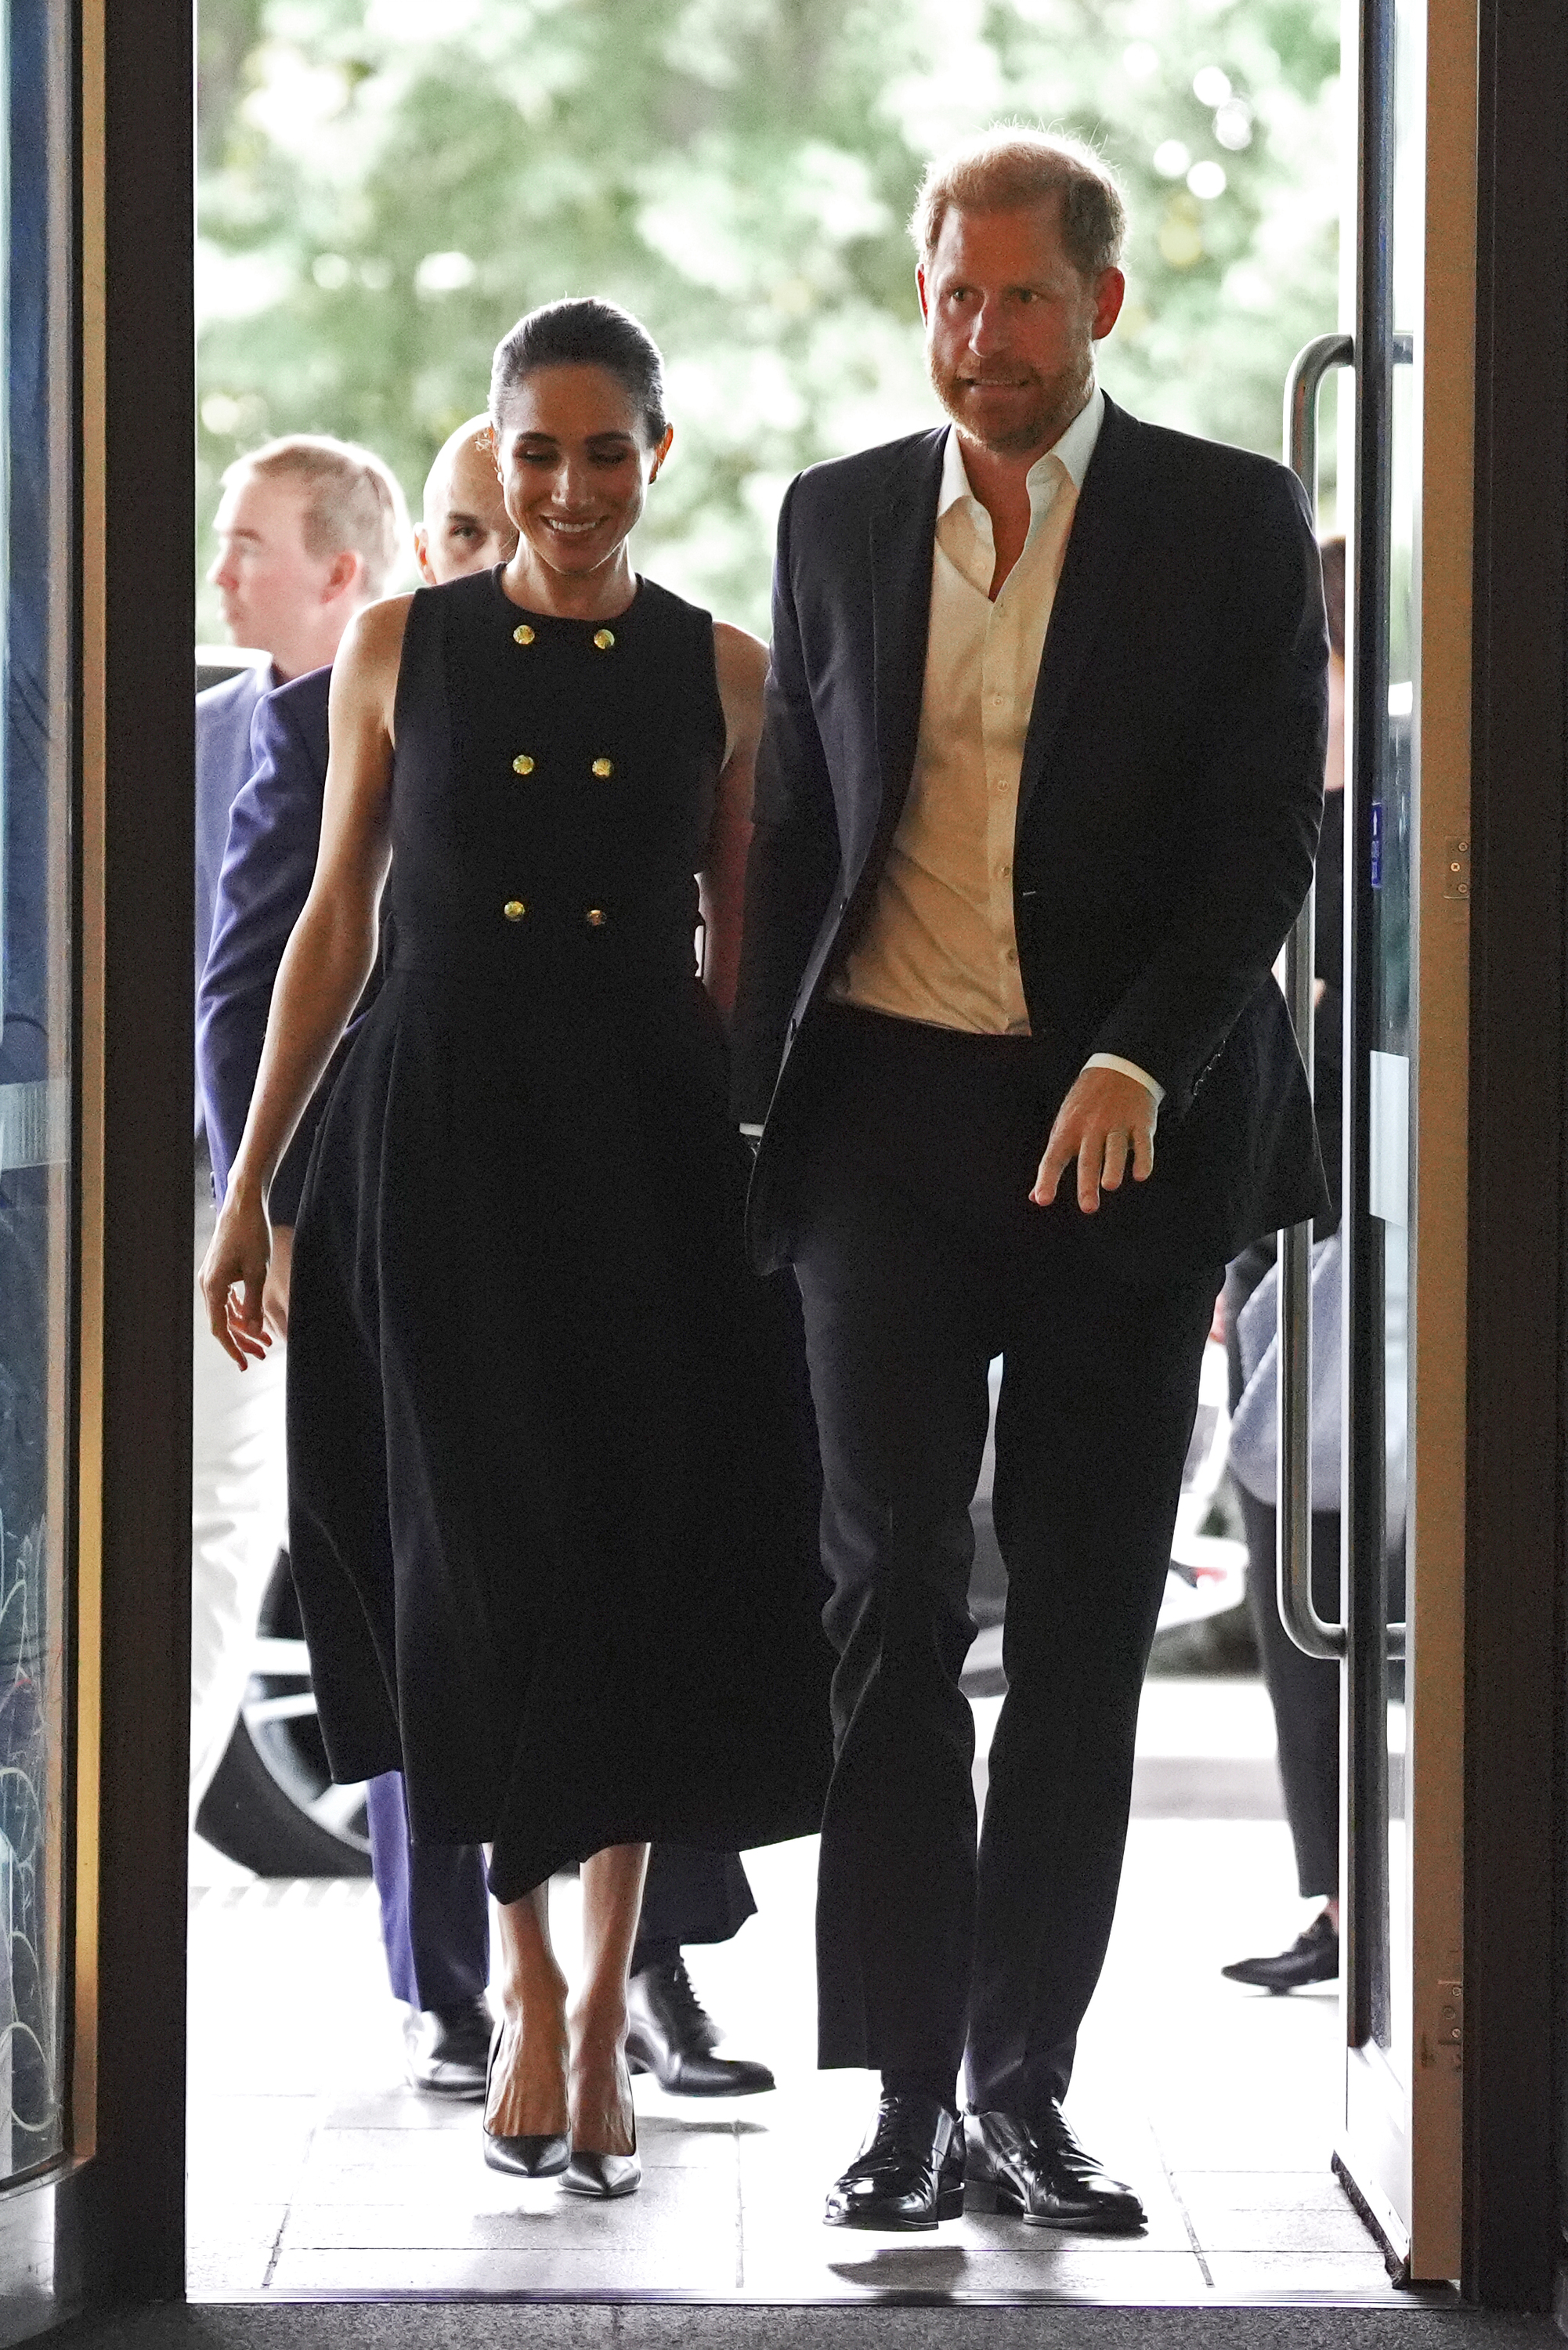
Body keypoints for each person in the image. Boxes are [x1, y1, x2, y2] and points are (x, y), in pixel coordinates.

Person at [731, 125, 1329, 2233]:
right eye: (954, 297)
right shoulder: (832, 518)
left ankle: (1022, 2089)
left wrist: (1138, 1055)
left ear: (1104, 306)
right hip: (884, 1129)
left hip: (1120, 1138)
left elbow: (1262, 838)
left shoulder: (1229, 521)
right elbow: (793, 837)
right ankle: (902, 2096)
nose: (982, 338)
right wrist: (748, 1125)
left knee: (1078, 1622)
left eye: (1023, 300)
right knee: (889, 1602)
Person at [198, 298, 833, 2201]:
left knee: (628, 1571)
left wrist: (770, 1193)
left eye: (604, 450)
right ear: (496, 454)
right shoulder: (401, 645)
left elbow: (746, 967)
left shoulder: (726, 674)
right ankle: (528, 1989)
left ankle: (601, 2004)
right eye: (537, 452)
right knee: (465, 1576)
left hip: (645, 1158)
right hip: (436, 1147)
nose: (569, 487)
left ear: (657, 455)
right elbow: (330, 927)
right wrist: (255, 1187)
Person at [191, 437, 406, 1819]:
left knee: (234, 1504)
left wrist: (270, 1202)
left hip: (324, 1197)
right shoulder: (190, 735)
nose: (219, 574)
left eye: (248, 545)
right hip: (159, 1182)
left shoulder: (406, 733)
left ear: (338, 572)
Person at [1220, 535, 1346, 1995]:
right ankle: (1332, 1894)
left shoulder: (1404, 809)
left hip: (1377, 1231)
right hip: (1277, 1241)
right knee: (1289, 1575)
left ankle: (1375, 1893)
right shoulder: (1257, 812)